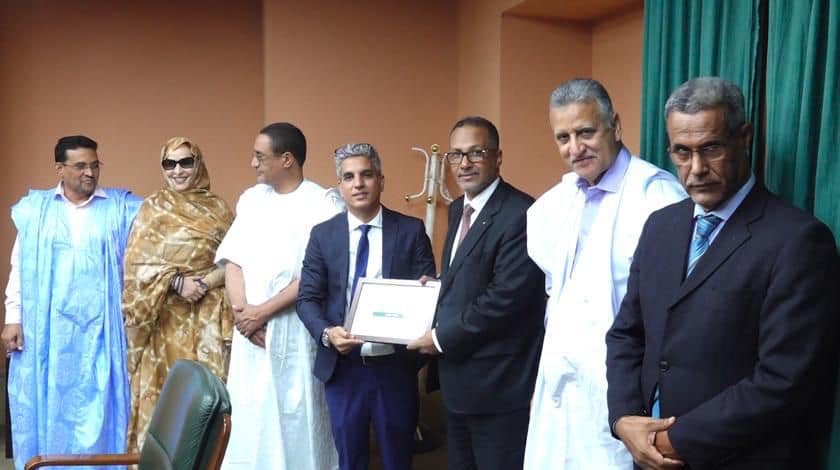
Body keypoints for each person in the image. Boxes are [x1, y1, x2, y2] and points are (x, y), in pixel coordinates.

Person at [606, 77, 840, 469]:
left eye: (711, 148)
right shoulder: (660, 226)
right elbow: (627, 334)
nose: (696, 169)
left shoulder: (798, 240)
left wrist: (672, 441)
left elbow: (784, 379)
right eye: (682, 152)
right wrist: (624, 420)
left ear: (743, 138)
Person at [523, 79, 686, 469]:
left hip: (620, 395)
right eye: (563, 137)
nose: (574, 148)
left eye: (585, 132)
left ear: (615, 125)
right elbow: (555, 301)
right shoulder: (555, 203)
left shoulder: (657, 196)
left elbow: (672, 316)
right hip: (559, 394)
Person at [408, 116, 545, 469]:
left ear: (498, 157)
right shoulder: (458, 208)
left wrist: (439, 338)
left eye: (476, 153)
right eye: (456, 155)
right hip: (460, 383)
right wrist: (438, 286)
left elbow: (505, 299)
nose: (464, 163)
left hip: (500, 386)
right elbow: (471, 273)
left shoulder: (522, 213)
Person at [1, 135, 142, 469]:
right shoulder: (36, 211)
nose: (90, 173)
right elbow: (19, 266)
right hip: (48, 330)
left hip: (103, 330)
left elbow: (157, 238)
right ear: (59, 169)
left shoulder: (121, 208)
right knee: (48, 400)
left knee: (101, 404)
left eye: (95, 165)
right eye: (80, 166)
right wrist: (12, 317)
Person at [297, 143, 436, 470]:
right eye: (349, 177)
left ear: (381, 181)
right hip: (344, 369)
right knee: (350, 460)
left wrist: (426, 292)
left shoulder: (411, 231)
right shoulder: (322, 235)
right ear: (340, 185)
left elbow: (428, 292)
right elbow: (307, 299)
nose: (358, 183)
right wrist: (327, 334)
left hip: (394, 368)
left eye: (366, 175)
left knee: (398, 460)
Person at [216, 123, 340, 469]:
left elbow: (316, 275)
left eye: (260, 156)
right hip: (251, 334)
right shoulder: (252, 200)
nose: (253, 163)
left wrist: (263, 312)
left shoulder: (322, 204)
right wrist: (244, 315)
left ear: (287, 159)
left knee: (297, 418)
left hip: (294, 332)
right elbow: (233, 261)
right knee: (251, 416)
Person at [123, 136, 234, 453]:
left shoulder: (218, 208)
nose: (178, 170)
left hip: (207, 318)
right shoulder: (152, 208)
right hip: (164, 321)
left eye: (186, 162)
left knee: (208, 397)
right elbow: (135, 265)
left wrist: (204, 283)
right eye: (169, 163)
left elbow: (235, 260)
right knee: (166, 397)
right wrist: (175, 282)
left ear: (198, 164)